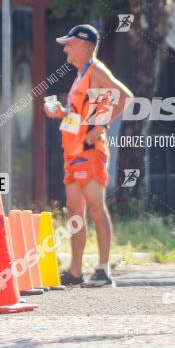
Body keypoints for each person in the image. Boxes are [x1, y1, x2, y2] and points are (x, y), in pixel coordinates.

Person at [43, 24, 133, 288]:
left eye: (69, 44)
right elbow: (81, 113)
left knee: (95, 208)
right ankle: (75, 271)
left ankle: (103, 270)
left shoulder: (95, 69)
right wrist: (62, 113)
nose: (65, 49)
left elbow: (125, 97)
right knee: (75, 211)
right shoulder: (81, 74)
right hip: (73, 151)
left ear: (84, 45)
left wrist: (101, 126)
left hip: (89, 151)